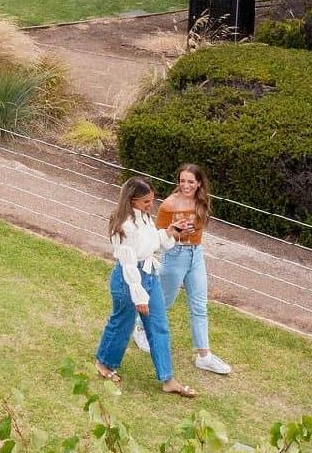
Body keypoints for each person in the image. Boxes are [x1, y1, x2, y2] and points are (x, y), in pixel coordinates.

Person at [95, 176, 197, 397]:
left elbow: (152, 244)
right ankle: (104, 362)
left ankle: (167, 379)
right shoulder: (123, 226)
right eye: (145, 202)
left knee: (159, 326)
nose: (151, 205)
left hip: (149, 276)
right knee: (122, 323)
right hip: (128, 279)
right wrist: (139, 295)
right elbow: (129, 262)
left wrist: (170, 232)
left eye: (152, 200)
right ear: (131, 200)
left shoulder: (145, 218)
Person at [132, 164, 233, 375]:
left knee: (199, 305)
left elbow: (198, 229)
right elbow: (157, 234)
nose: (186, 185)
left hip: (196, 255)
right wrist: (177, 232)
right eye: (182, 180)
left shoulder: (201, 202)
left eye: (190, 181)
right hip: (175, 255)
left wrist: (191, 230)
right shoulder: (168, 205)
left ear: (199, 183)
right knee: (163, 302)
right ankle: (140, 328)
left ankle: (204, 356)